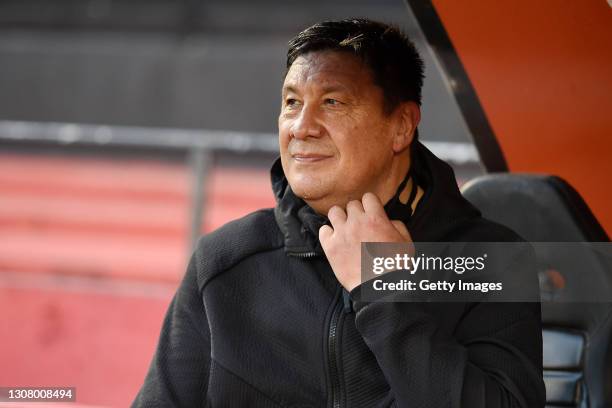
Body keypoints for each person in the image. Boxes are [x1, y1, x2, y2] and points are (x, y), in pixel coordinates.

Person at [133, 19, 545, 407]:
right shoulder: (226, 261)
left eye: (332, 102)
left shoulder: (489, 262)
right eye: (292, 103)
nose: (302, 126)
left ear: (402, 126)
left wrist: (384, 290)